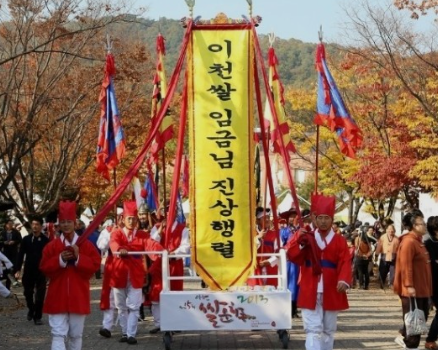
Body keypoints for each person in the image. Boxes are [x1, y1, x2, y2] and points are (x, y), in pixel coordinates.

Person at [286, 194, 351, 350]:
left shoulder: (339, 240)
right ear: (314, 218)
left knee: (329, 329)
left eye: (326, 218)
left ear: (332, 219)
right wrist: (299, 242)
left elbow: (345, 262)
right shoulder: (306, 236)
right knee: (313, 329)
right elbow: (292, 256)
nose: (323, 221)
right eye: (320, 217)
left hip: (331, 287)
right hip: (310, 287)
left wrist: (343, 280)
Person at [40, 201, 101, 350]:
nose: (66, 225)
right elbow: (44, 267)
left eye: (69, 222)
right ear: (59, 225)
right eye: (63, 222)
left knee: (76, 335)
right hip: (57, 296)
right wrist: (60, 259)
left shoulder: (85, 245)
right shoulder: (52, 246)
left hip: (78, 296)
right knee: (58, 334)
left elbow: (95, 265)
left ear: (75, 224)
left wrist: (78, 257)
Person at [109, 201, 163, 345]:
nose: (132, 221)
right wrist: (120, 249)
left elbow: (151, 244)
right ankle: (124, 332)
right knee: (121, 306)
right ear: (123, 219)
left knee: (134, 306)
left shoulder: (141, 235)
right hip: (119, 275)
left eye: (134, 218)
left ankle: (131, 334)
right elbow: (113, 243)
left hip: (136, 276)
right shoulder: (117, 233)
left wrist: (161, 250)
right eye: (129, 218)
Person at [149, 205, 190, 334]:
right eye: (167, 212)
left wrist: (174, 253)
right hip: (159, 264)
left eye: (172, 212)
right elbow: (151, 243)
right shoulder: (156, 228)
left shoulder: (182, 229)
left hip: (174, 264)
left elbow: (185, 246)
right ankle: (159, 322)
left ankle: (175, 322)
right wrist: (160, 230)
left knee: (175, 293)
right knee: (157, 294)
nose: (169, 215)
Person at [394, 210, 432, 350]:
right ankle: (409, 345)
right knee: (415, 325)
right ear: (414, 226)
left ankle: (404, 337)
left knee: (419, 320)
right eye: (421, 223)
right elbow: (406, 265)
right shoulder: (409, 242)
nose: (424, 226)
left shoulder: (418, 242)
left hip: (422, 289)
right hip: (412, 290)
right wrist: (409, 285)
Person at [15, 216, 49, 325]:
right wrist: (17, 269)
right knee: (27, 293)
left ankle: (37, 316)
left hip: (41, 270)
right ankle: (31, 308)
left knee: (40, 294)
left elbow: (49, 256)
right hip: (28, 270)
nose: (35, 226)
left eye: (37, 224)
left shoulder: (45, 240)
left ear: (41, 226)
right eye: (33, 224)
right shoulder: (26, 239)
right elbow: (20, 255)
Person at [247, 207, 279, 288]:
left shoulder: (275, 234)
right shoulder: (250, 234)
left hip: (270, 269)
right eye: (264, 218)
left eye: (268, 217)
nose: (267, 220)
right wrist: (258, 237)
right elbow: (247, 250)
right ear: (257, 220)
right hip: (255, 269)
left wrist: (269, 261)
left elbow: (279, 252)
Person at [96, 218, 117, 338]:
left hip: (130, 265)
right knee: (110, 296)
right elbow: (101, 245)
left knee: (129, 300)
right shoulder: (108, 230)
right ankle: (107, 326)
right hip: (113, 265)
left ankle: (129, 330)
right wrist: (111, 234)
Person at [279, 207, 300, 318]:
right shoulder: (284, 231)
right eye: (291, 217)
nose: (292, 219)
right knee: (288, 284)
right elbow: (280, 245)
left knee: (297, 284)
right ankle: (287, 308)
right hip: (288, 261)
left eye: (294, 216)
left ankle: (295, 308)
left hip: (298, 262)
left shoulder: (301, 230)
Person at [424, 216, 438, 350]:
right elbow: (433, 265)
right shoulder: (428, 244)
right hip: (433, 284)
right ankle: (430, 339)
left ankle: (431, 339)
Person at [374, 224, 399, 288]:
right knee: (383, 271)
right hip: (384, 256)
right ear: (387, 230)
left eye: (392, 230)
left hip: (393, 257)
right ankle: (382, 284)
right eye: (389, 229)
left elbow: (399, 249)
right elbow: (379, 247)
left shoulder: (397, 239)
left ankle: (391, 284)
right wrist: (376, 255)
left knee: (393, 272)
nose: (391, 231)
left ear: (394, 231)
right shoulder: (383, 237)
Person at [0, 218, 22, 289]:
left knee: (12, 267)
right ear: (6, 225)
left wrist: (14, 242)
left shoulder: (16, 232)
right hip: (5, 253)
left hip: (14, 252)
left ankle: (12, 282)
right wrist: (4, 242)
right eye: (9, 223)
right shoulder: (2, 232)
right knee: (6, 268)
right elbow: (1, 241)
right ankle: (8, 284)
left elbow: (20, 240)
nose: (10, 225)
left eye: (11, 223)